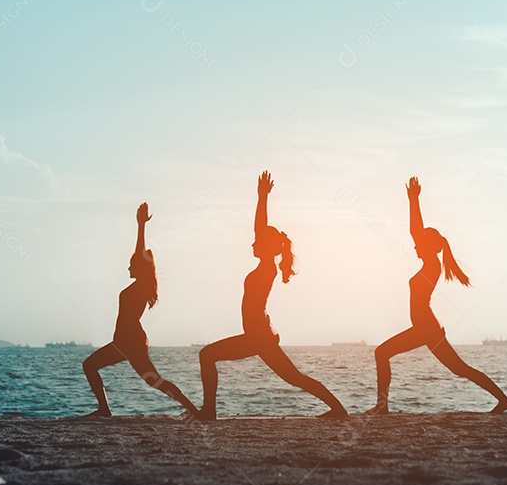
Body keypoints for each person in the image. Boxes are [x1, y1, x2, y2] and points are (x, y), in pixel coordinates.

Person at [197, 171, 347, 419]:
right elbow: (260, 232)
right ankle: (339, 410)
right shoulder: (265, 266)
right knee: (294, 378)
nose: (252, 244)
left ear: (266, 245)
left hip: (259, 335)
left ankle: (209, 411)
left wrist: (262, 197)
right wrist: (262, 197)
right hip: (261, 334)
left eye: (257, 241)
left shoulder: (267, 267)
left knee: (207, 355)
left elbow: (259, 228)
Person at [367, 177, 507, 414]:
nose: (414, 246)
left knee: (384, 353)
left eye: (419, 243)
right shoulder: (430, 264)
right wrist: (413, 200)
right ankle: (503, 400)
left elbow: (415, 230)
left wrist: (414, 200)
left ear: (427, 245)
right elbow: (417, 234)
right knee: (458, 368)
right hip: (426, 327)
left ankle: (382, 407)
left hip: (427, 327)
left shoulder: (432, 265)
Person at [81, 203, 198, 417]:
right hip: (123, 342)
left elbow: (140, 252)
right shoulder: (139, 287)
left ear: (139, 267)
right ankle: (104, 409)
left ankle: (194, 411)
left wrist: (141, 226)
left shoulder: (142, 285)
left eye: (131, 264)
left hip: (131, 341)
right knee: (91, 366)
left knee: (153, 380)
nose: (128, 268)